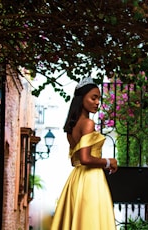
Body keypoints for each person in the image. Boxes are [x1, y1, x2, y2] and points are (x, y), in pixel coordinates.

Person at [50, 77, 118, 230]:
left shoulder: (71, 127)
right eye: (93, 98)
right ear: (82, 99)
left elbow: (75, 161)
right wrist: (109, 162)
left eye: (98, 99)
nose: (97, 103)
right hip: (91, 179)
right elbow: (85, 158)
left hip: (76, 179)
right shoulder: (88, 123)